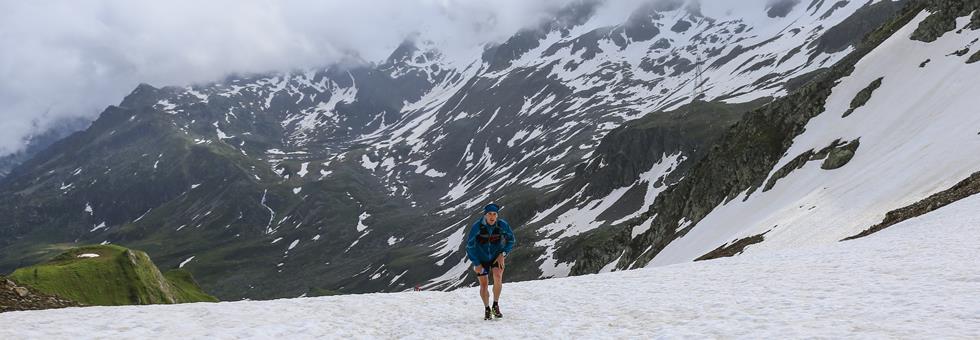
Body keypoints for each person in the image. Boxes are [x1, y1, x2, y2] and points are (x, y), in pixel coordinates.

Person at [465, 203, 516, 320]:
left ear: (497, 215)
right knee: (484, 284)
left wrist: (503, 254)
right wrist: (476, 263)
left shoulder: (502, 225)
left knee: (498, 276)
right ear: (485, 215)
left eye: (494, 214)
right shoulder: (477, 226)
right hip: (480, 259)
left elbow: (511, 240)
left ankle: (495, 305)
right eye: (489, 214)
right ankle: (487, 308)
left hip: (496, 256)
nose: (492, 217)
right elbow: (470, 246)